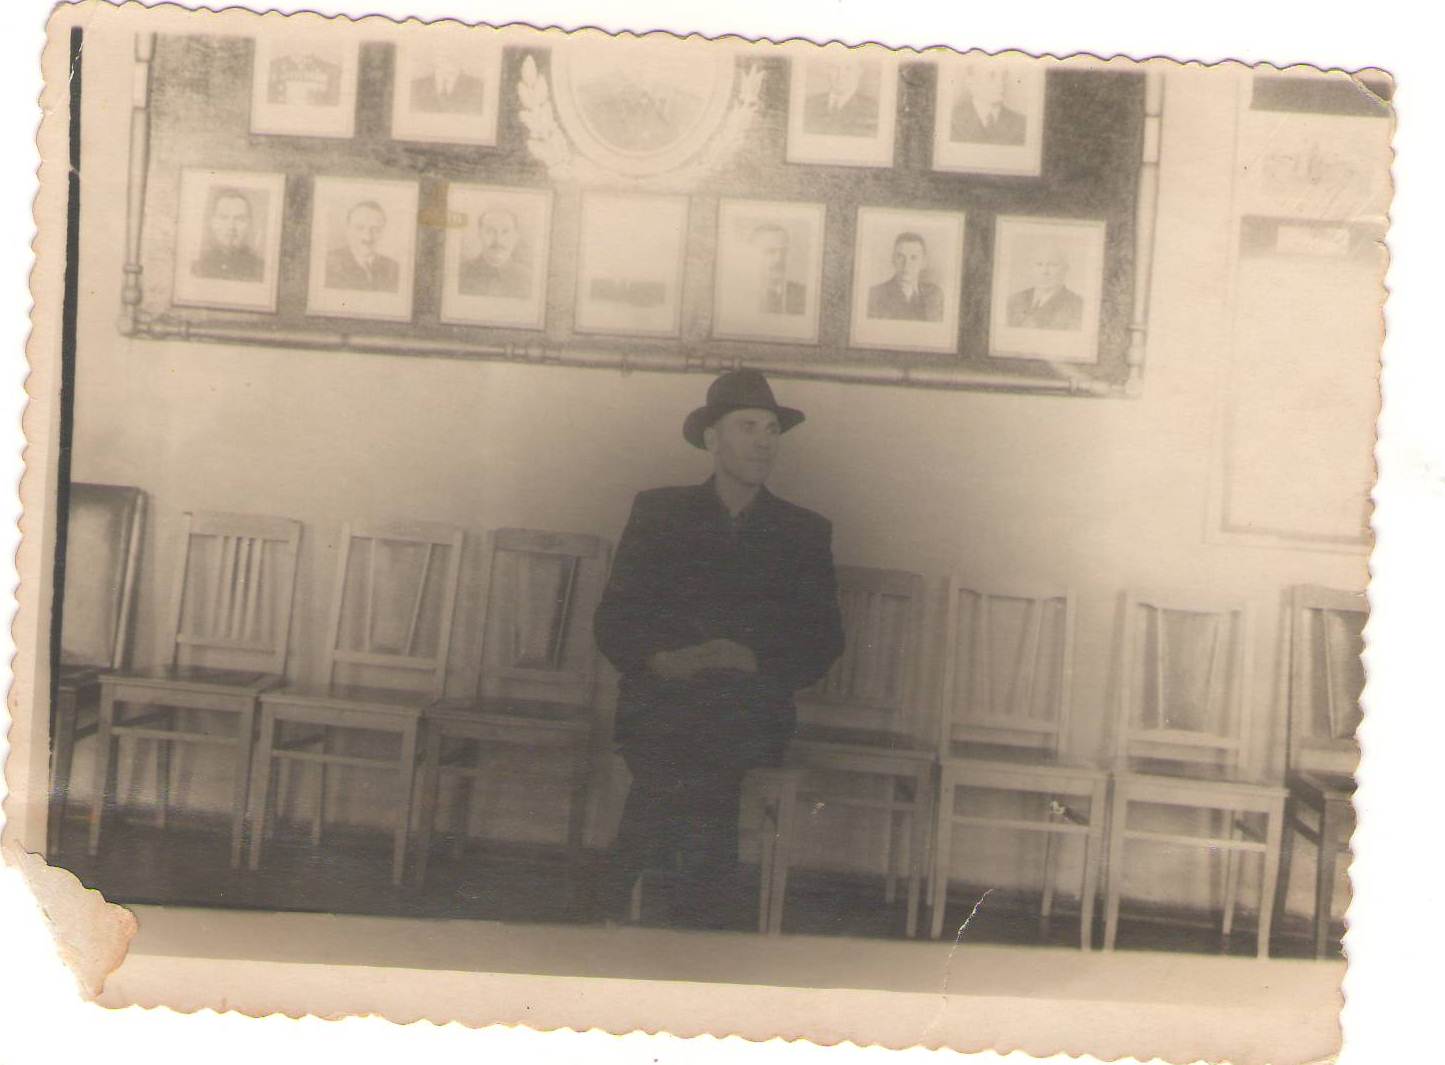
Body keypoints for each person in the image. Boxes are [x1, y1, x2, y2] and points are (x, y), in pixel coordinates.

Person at [595, 369, 845, 929]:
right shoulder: (659, 513)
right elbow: (615, 619)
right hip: (664, 697)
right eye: (747, 427)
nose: (763, 442)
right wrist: (666, 660)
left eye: (772, 430)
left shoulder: (802, 532)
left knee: (702, 732)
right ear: (712, 439)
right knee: (692, 733)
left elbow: (824, 639)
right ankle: (704, 907)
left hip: (750, 708)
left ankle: (618, 881)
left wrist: (750, 659)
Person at [324, 200, 400, 292]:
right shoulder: (327, 264)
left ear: (382, 232)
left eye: (375, 229)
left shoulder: (394, 268)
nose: (367, 237)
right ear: (347, 230)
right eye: (360, 228)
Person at [866, 231, 944, 322]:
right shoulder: (875, 295)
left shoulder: (935, 295)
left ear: (923, 262)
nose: (906, 265)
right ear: (893, 259)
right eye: (900, 257)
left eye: (913, 258)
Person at [1005, 242, 1084, 330]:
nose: (1044, 271)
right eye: (1039, 264)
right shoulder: (1014, 300)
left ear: (1065, 269)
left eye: (1053, 265)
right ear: (1031, 269)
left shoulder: (1077, 306)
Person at [191, 188, 264, 282]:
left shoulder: (260, 269)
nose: (231, 226)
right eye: (223, 218)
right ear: (212, 222)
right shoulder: (198, 266)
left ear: (249, 224)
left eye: (240, 219)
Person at [458, 207, 532, 298]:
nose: (498, 240)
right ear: (479, 235)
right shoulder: (460, 274)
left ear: (515, 237)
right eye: (490, 231)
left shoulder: (528, 279)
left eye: (505, 232)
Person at [949, 63, 1027, 146]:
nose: (1001, 83)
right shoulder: (952, 119)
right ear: (970, 82)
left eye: (1004, 76)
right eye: (991, 76)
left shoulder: (1021, 123)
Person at [801, 58, 879, 138]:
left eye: (848, 68)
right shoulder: (809, 104)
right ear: (827, 71)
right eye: (834, 68)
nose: (840, 75)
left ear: (859, 72)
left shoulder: (872, 109)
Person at [748, 223, 806, 316]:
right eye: (770, 251)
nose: (779, 259)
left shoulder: (803, 295)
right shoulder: (739, 294)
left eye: (784, 251)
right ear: (752, 255)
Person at [410, 51, 487, 114]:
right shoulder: (415, 87)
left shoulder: (479, 87)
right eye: (442, 48)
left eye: (453, 49)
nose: (447, 55)